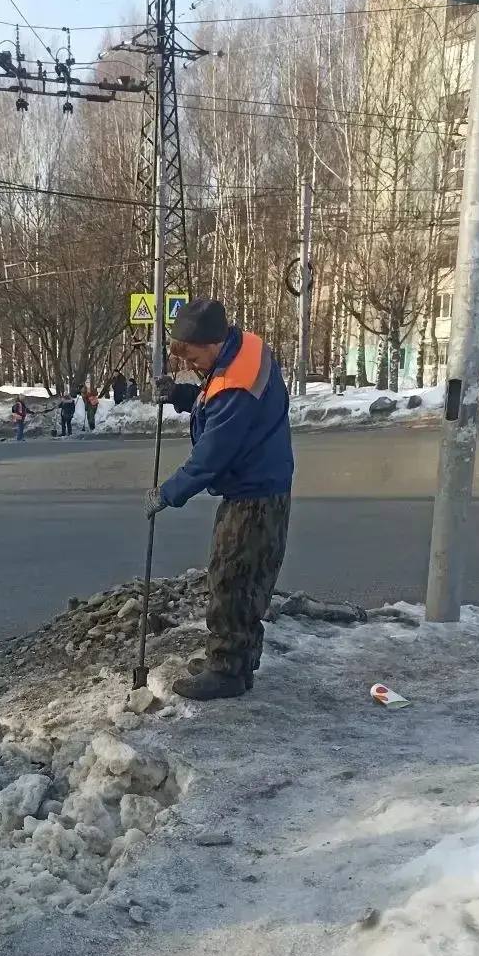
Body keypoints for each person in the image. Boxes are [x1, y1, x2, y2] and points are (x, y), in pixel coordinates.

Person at [145, 300, 294, 703]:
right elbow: (216, 398)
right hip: (261, 483)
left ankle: (227, 670)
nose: (192, 365)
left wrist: (167, 493)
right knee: (248, 578)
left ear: (212, 343)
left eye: (194, 358)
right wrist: (182, 395)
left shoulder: (236, 387)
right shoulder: (243, 348)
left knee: (231, 578)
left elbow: (211, 455)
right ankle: (238, 661)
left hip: (254, 496)